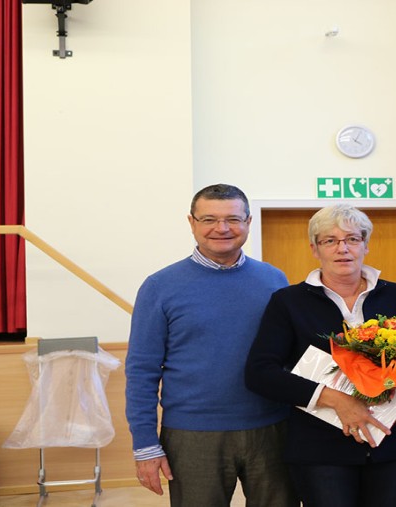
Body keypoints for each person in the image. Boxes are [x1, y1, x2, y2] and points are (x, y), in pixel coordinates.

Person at [124, 183, 295, 506]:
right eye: (209, 219)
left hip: (273, 428)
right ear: (192, 223)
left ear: (248, 223)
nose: (222, 228)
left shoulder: (274, 279)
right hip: (192, 436)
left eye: (233, 219)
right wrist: (145, 445)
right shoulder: (160, 286)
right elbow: (141, 372)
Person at [245, 204, 396, 507]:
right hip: (319, 448)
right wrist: (335, 398)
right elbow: (260, 373)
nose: (343, 249)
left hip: (391, 442)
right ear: (315, 249)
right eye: (330, 240)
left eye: (352, 239)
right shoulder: (289, 302)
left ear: (365, 244)